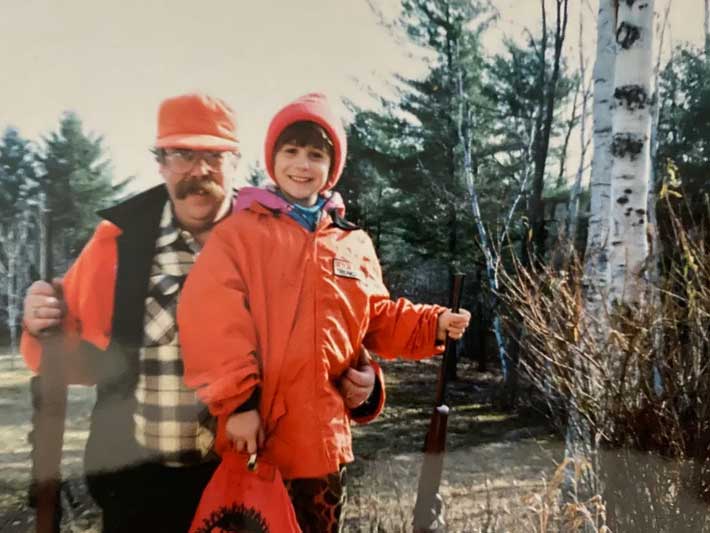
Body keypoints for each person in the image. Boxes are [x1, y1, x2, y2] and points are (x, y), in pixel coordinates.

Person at [21, 92, 383, 533]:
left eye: (214, 156)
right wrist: (41, 323)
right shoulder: (119, 243)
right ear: (160, 162)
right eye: (181, 154)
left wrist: (366, 381)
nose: (198, 171)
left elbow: (337, 329)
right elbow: (69, 357)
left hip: (247, 481)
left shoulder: (280, 236)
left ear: (236, 162)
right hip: (141, 487)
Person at [177, 93, 471, 532]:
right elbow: (211, 322)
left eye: (315, 154)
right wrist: (237, 403)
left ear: (331, 167)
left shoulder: (352, 243)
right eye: (290, 151)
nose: (302, 164)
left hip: (323, 446)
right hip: (258, 440)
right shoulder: (239, 234)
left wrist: (431, 324)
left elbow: (377, 317)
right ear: (272, 159)